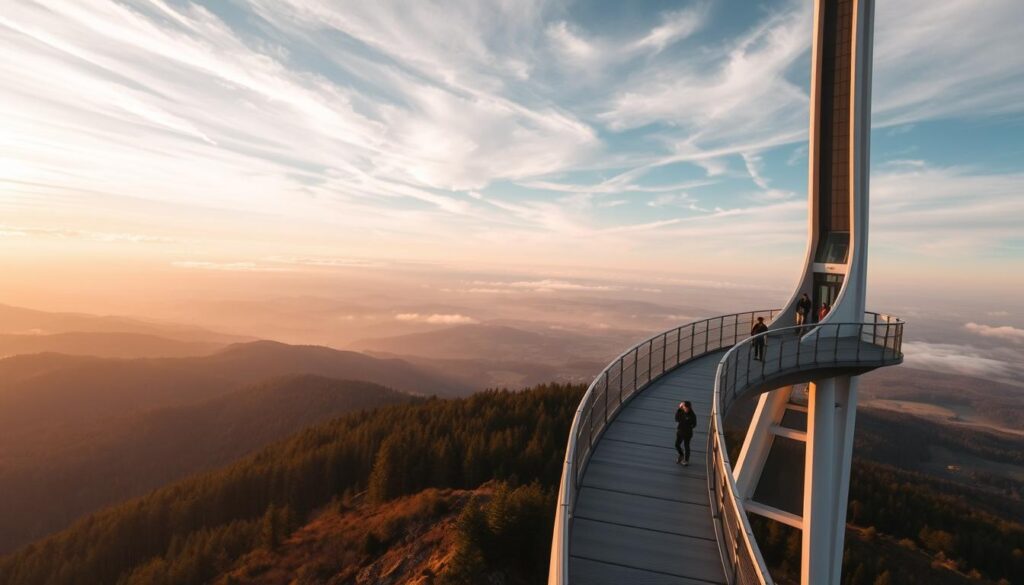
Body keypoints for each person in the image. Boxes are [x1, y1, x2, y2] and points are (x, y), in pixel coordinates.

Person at [675, 401, 697, 465]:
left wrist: (688, 426)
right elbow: (676, 419)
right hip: (680, 431)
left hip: (688, 433)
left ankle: (686, 460)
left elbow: (694, 425)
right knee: (676, 445)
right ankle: (681, 455)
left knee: (686, 446)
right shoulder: (681, 411)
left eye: (687, 408)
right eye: (684, 408)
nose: (686, 409)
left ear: (690, 407)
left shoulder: (692, 415)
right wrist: (679, 409)